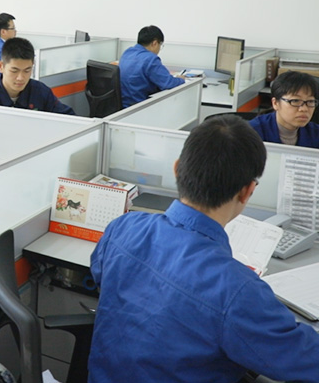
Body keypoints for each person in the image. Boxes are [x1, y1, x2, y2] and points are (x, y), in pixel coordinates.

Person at [89, 115, 319, 383]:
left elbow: (102, 278)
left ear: (177, 169)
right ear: (247, 192)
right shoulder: (237, 289)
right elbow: (304, 359)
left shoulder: (123, 227)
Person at [0, 37, 74, 115]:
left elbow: (70, 119)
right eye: (14, 71)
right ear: (0, 66)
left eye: (27, 70)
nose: (21, 78)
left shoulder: (41, 92)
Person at [118, 25, 184, 108]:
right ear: (155, 43)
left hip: (123, 106)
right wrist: (181, 79)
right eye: (160, 45)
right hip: (140, 107)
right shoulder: (150, 59)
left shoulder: (127, 52)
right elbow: (168, 83)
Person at [249, 70, 319, 148]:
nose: (304, 109)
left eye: (310, 101)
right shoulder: (252, 132)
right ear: (275, 103)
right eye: (295, 101)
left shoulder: (316, 134)